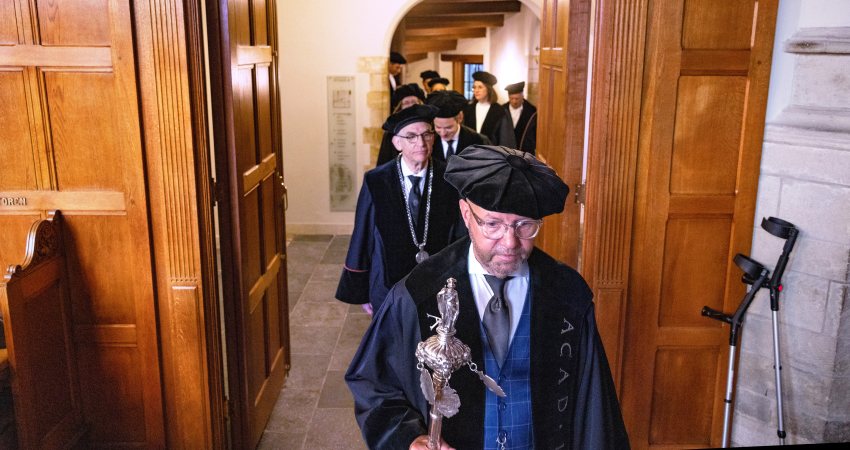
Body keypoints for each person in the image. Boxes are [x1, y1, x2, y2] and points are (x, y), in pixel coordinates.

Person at [346, 145, 629, 449]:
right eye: (493, 224)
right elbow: (374, 384)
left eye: (525, 226)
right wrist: (408, 438)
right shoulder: (418, 293)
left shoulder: (567, 296)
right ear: (466, 214)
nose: (509, 242)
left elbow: (595, 408)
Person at [336, 104, 467, 314]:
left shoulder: (449, 179)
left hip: (438, 286)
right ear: (397, 142)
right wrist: (362, 290)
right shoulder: (377, 180)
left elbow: (461, 237)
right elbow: (363, 236)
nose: (421, 143)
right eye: (411, 137)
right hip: (387, 284)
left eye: (426, 134)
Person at [426, 90, 490, 163]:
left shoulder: (478, 141)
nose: (443, 133)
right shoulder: (428, 141)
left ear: (460, 118)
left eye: (448, 127)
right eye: (438, 127)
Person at [376, 84, 428, 166]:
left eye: (414, 102)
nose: (411, 106)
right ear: (400, 107)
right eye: (406, 103)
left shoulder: (429, 129)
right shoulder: (390, 134)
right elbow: (383, 162)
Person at [462, 71, 516, 148]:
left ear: (488, 89)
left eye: (480, 87)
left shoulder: (500, 111)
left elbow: (506, 140)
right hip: (470, 154)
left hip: (491, 155)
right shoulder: (468, 109)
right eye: (474, 87)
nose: (476, 90)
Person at [503, 81, 537, 154]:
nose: (514, 101)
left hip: (525, 153)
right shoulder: (502, 110)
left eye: (517, 98)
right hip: (506, 153)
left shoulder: (532, 112)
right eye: (511, 98)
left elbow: (535, 134)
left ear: (523, 96)